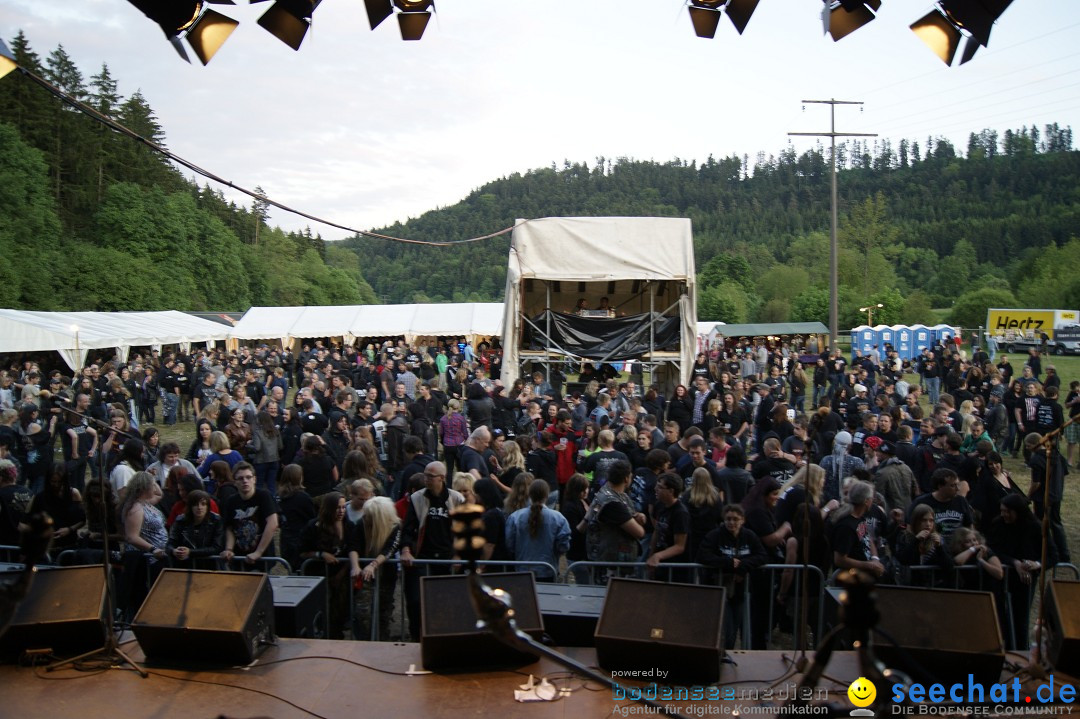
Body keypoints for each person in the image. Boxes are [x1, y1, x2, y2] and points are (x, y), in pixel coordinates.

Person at [400, 461, 465, 641]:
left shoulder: (456, 499)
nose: (426, 479)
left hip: (447, 558)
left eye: (430, 476)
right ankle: (417, 637)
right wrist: (406, 550)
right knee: (415, 601)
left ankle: (446, 637)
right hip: (422, 557)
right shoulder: (417, 498)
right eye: (425, 475)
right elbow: (407, 528)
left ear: (442, 478)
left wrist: (460, 553)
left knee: (446, 602)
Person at [697, 504, 768, 650]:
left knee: (737, 626)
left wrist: (743, 567)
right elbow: (703, 555)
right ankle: (723, 654)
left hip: (742, 591)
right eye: (728, 519)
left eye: (735, 519)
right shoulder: (715, 535)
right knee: (727, 629)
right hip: (721, 589)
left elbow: (762, 555)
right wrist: (727, 563)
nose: (731, 523)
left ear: (742, 520)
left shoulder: (749, 536)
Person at [987, 494, 1046, 650]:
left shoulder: (1035, 526)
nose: (1004, 515)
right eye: (1002, 511)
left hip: (1025, 580)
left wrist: (1036, 564)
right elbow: (993, 549)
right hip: (1002, 575)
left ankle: (1020, 651)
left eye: (1007, 511)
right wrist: (1014, 562)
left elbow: (1051, 554)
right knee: (1000, 615)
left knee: (1021, 618)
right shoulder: (998, 524)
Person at [299, 491, 356, 638]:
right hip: (318, 576)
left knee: (339, 615)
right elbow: (301, 551)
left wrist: (341, 574)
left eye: (344, 507)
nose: (341, 511)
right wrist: (320, 554)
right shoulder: (313, 527)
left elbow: (353, 550)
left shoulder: (349, 526)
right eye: (337, 508)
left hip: (340, 579)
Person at [581, 459, 645, 584]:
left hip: (607, 560)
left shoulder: (607, 491)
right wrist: (636, 521)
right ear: (626, 478)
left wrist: (636, 516)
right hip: (612, 566)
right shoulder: (612, 503)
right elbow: (639, 533)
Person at [349, 495, 401, 641]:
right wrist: (355, 566)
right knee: (362, 611)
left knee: (384, 610)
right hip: (365, 574)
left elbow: (390, 549)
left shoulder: (394, 526)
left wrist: (373, 565)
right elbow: (353, 546)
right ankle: (364, 640)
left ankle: (382, 639)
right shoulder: (361, 524)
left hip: (385, 574)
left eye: (369, 516)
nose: (365, 518)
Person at [119, 472, 168, 615]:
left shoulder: (146, 502)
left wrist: (150, 476)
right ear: (144, 488)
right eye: (152, 485)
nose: (155, 487)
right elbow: (131, 537)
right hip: (148, 560)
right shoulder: (135, 508)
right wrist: (153, 549)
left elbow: (160, 495)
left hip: (158, 556)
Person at [505, 478, 570, 581]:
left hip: (522, 570)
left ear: (529, 494)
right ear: (547, 495)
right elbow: (563, 546)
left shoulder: (515, 517)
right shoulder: (558, 518)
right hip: (548, 570)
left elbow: (509, 544)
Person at [220, 462, 280, 568]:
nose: (245, 481)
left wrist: (258, 552)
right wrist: (229, 549)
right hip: (240, 558)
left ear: (254, 479)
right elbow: (229, 527)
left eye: (248, 477)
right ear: (235, 482)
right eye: (240, 478)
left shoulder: (264, 496)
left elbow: (273, 523)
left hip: (262, 559)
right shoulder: (231, 501)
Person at [647, 472, 691, 581]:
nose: (655, 489)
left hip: (675, 568)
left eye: (660, 487)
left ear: (671, 491)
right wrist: (651, 554)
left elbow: (679, 546)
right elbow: (657, 531)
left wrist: (658, 556)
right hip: (660, 563)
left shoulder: (680, 513)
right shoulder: (660, 505)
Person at [894, 503, 950, 587]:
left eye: (931, 520)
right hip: (910, 586)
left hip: (934, 586)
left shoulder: (938, 539)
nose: (928, 524)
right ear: (916, 521)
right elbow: (903, 559)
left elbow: (949, 566)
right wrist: (916, 540)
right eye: (924, 520)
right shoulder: (904, 536)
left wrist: (939, 547)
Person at [167, 488, 225, 569]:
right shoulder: (180, 520)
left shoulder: (216, 520)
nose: (199, 507)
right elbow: (170, 544)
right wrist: (174, 551)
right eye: (195, 504)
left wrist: (190, 552)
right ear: (190, 506)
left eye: (203, 504)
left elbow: (217, 547)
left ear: (208, 506)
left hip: (210, 566)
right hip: (186, 566)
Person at [277, 463, 316, 571]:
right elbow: (312, 518)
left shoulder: (280, 497)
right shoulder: (303, 497)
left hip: (286, 540)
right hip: (301, 540)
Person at [249, 410, 283, 496]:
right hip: (275, 460)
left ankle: (259, 505)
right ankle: (273, 504)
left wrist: (248, 445)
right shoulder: (276, 430)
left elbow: (257, 448)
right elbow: (280, 446)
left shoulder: (257, 432)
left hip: (261, 461)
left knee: (259, 485)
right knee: (272, 485)